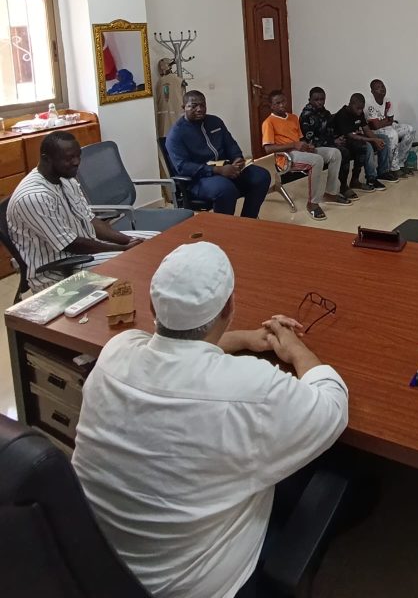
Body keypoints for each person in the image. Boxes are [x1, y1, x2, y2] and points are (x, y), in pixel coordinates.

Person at [72, 241, 348, 598]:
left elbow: (175, 351)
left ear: (154, 307)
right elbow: (332, 404)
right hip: (193, 586)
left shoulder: (116, 352)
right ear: (229, 306)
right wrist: (295, 349)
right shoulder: (251, 388)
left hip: (97, 567)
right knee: (343, 471)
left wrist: (246, 339)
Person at [7, 131, 142, 292]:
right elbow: (70, 244)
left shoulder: (67, 179)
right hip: (58, 271)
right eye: (69, 158)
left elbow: (90, 220)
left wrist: (128, 240)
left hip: (86, 252)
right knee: (136, 262)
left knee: (151, 243)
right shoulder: (34, 197)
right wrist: (122, 249)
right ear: (47, 159)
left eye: (78, 156)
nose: (77, 162)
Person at [166, 91, 271, 219]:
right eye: (193, 106)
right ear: (183, 108)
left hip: (225, 168)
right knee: (226, 189)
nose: (199, 109)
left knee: (261, 176)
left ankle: (247, 220)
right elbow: (183, 166)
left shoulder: (215, 121)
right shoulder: (176, 134)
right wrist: (217, 170)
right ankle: (223, 228)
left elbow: (230, 144)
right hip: (198, 179)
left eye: (202, 105)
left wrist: (237, 159)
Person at [262, 90, 349, 220]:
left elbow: (301, 139)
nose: (281, 105)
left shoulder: (293, 118)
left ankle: (330, 193)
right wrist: (294, 145)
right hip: (285, 157)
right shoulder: (268, 122)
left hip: (300, 151)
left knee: (335, 153)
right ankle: (312, 203)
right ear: (271, 106)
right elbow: (268, 149)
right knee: (317, 160)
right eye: (277, 103)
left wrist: (308, 146)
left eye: (283, 101)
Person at [299, 87, 357, 201]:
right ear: (309, 100)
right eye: (316, 99)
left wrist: (338, 138)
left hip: (328, 143)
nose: (320, 102)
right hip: (313, 147)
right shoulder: (306, 116)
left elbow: (331, 131)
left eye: (322, 99)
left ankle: (350, 183)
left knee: (355, 145)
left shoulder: (325, 113)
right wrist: (333, 142)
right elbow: (310, 140)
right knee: (343, 152)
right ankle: (342, 187)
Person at [333, 93, 391, 190]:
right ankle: (371, 178)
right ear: (350, 104)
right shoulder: (342, 115)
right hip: (345, 141)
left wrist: (377, 140)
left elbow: (366, 130)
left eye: (362, 109)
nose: (360, 111)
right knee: (367, 145)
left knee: (384, 138)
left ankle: (383, 172)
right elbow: (351, 136)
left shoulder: (360, 113)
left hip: (358, 137)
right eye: (358, 108)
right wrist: (373, 140)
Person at [366, 79, 415, 178]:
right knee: (393, 134)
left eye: (382, 86)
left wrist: (384, 122)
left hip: (388, 126)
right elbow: (375, 126)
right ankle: (393, 168)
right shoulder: (369, 104)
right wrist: (386, 121)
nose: (382, 89)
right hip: (374, 131)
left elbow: (391, 120)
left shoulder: (387, 101)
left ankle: (400, 163)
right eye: (378, 88)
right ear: (372, 91)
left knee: (410, 129)